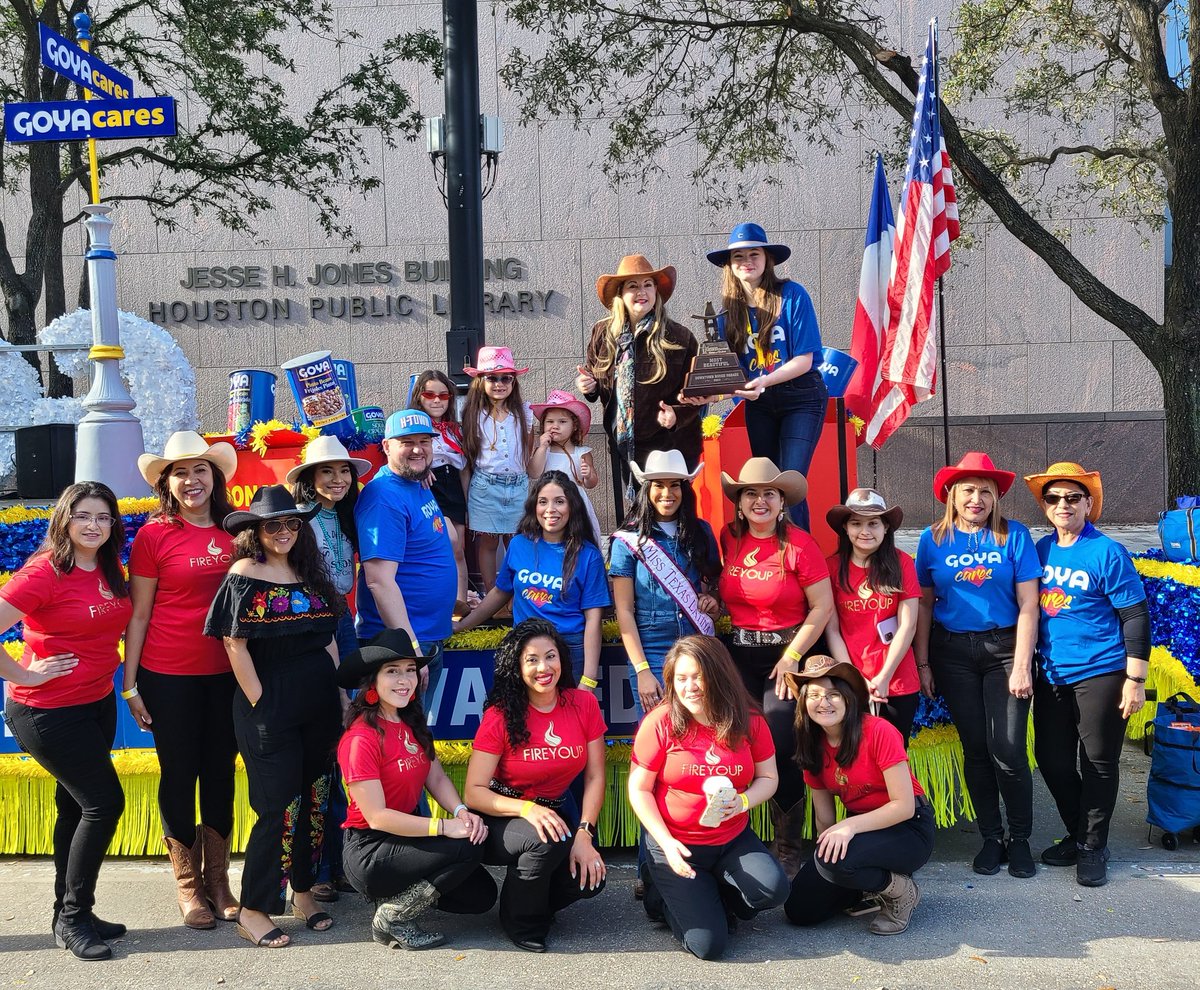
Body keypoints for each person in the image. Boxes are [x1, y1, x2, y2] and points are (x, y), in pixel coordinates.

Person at [203, 485, 343, 949]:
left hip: (320, 702)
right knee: (278, 806)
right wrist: (262, 701)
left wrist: (340, 696)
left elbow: (328, 639)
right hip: (270, 707)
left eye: (291, 524)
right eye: (273, 525)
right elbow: (234, 643)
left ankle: (303, 892)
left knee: (315, 799)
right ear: (255, 532)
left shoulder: (310, 573)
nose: (284, 532)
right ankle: (255, 908)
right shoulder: (246, 572)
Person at [1, 482, 132, 961]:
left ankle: (68, 910)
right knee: (103, 804)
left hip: (95, 703)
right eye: (82, 516)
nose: (94, 525)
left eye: (103, 516)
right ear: (64, 520)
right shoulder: (45, 572)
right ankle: (75, 918)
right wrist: (22, 672)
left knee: (75, 809)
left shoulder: (108, 566)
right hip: (47, 711)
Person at [123, 432, 239, 930]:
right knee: (179, 775)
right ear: (167, 483)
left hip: (230, 676)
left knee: (219, 773)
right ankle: (188, 887)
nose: (192, 480)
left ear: (215, 477)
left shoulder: (238, 530)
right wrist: (130, 686)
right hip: (168, 674)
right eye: (181, 472)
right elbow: (139, 615)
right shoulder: (153, 536)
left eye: (200, 470)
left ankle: (219, 882)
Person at [913, 452, 1041, 880]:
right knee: (976, 750)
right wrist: (924, 662)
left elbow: (1028, 604)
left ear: (997, 497)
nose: (976, 498)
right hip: (953, 655)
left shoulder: (1014, 536)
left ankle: (1020, 839)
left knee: (1007, 749)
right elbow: (925, 605)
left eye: (985, 490)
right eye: (967, 489)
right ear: (951, 494)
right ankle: (991, 837)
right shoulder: (932, 539)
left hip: (1005, 650)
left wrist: (1023, 663)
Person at [1023, 462, 1149, 888]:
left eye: (1073, 498)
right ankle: (1080, 834)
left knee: (1097, 763)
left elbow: (1134, 614)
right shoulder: (1040, 550)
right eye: (1054, 498)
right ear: (1045, 506)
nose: (1063, 504)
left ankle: (1093, 846)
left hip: (1102, 671)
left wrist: (1136, 679)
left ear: (1088, 504)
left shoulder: (1106, 551)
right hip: (1052, 673)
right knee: (1052, 761)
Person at [628, 635, 789, 961]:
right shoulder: (659, 723)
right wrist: (666, 845)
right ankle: (660, 894)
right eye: (681, 678)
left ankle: (708, 893)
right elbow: (639, 789)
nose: (690, 687)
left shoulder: (750, 720)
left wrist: (743, 802)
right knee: (709, 945)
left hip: (731, 839)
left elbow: (769, 778)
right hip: (677, 844)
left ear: (718, 674)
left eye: (698, 676)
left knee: (773, 891)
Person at [336, 629, 496, 950]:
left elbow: (435, 778)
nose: (404, 680)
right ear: (372, 682)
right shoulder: (361, 738)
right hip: (371, 849)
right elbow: (378, 817)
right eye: (392, 671)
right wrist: (443, 827)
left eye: (410, 670)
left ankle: (396, 896)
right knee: (467, 847)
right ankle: (394, 915)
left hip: (406, 838)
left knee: (481, 896)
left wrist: (461, 812)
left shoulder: (411, 721)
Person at [717, 457, 833, 876]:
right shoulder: (727, 538)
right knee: (733, 739)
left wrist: (792, 658)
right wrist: (712, 600)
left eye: (769, 493)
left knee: (781, 739)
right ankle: (734, 838)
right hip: (739, 655)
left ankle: (787, 845)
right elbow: (723, 589)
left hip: (787, 654)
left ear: (782, 501)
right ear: (740, 501)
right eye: (751, 493)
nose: (760, 500)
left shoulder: (800, 544)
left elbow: (822, 607)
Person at [464, 619, 607, 952]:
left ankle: (532, 900)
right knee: (546, 841)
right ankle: (521, 921)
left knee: (589, 877)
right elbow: (474, 791)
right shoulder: (500, 715)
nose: (544, 667)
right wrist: (527, 809)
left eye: (551, 656)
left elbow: (595, 775)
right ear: (517, 666)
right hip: (502, 812)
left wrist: (585, 833)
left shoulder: (582, 704)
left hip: (559, 808)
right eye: (532, 659)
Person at [782, 655, 934, 936]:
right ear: (803, 702)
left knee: (836, 862)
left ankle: (902, 891)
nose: (823, 702)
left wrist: (847, 830)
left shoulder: (878, 731)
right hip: (860, 831)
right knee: (799, 908)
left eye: (833, 694)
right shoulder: (812, 744)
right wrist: (827, 869)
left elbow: (903, 806)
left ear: (849, 698)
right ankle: (863, 884)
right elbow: (825, 820)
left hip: (908, 827)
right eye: (813, 695)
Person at [287, 434, 372, 904]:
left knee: (347, 741)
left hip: (343, 619)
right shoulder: (300, 523)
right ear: (309, 479)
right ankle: (316, 867)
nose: (338, 480)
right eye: (327, 472)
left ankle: (340, 863)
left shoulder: (346, 517)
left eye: (344, 472)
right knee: (326, 743)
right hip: (318, 624)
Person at [706, 222, 828, 529]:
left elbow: (804, 360)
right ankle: (772, 554)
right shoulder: (726, 313)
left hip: (801, 396)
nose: (747, 261)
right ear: (730, 266)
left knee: (790, 480)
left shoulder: (792, 295)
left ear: (766, 259)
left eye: (754, 254)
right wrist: (706, 392)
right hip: (759, 404)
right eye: (739, 257)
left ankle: (801, 559)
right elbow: (732, 373)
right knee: (767, 483)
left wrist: (763, 381)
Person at [455, 472, 610, 688]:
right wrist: (461, 625)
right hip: (525, 647)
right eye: (543, 502)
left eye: (559, 502)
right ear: (533, 507)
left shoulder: (588, 555)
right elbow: (499, 593)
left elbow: (593, 619)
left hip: (568, 648)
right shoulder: (519, 545)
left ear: (572, 507)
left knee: (567, 719)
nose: (550, 509)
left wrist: (588, 679)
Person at [577, 254, 701, 507]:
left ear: (657, 291)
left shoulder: (679, 337)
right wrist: (588, 387)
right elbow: (596, 378)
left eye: (648, 284)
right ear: (621, 294)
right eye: (633, 286)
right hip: (623, 444)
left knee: (670, 517)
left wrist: (677, 414)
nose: (641, 292)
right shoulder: (603, 333)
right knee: (635, 518)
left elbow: (698, 393)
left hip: (668, 443)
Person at [355, 409, 456, 705]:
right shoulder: (383, 497)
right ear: (386, 447)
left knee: (416, 737)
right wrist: (409, 649)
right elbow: (379, 582)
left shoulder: (416, 482)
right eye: (407, 442)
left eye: (424, 441)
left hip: (425, 639)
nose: (417, 449)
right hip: (401, 647)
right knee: (398, 739)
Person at [610, 450, 721, 719]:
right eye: (659, 485)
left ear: (685, 489)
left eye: (674, 485)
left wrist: (712, 602)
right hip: (651, 645)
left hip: (697, 639)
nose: (667, 493)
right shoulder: (628, 540)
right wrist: (642, 670)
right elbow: (623, 610)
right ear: (647, 489)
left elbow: (713, 589)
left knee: (702, 726)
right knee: (656, 732)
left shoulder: (702, 531)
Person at [823, 488, 921, 742]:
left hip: (897, 681)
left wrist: (884, 677)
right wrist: (853, 679)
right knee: (857, 756)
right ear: (845, 527)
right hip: (852, 681)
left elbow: (908, 625)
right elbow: (832, 629)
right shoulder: (832, 568)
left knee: (896, 758)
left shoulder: (902, 563)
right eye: (856, 523)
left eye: (873, 523)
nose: (865, 531)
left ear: (886, 528)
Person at [461, 346, 535, 590]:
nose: (499, 383)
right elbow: (469, 457)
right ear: (480, 381)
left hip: (517, 485)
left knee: (517, 540)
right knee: (489, 542)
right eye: (492, 378)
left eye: (506, 378)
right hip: (485, 485)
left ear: (514, 382)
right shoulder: (474, 414)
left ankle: (518, 590)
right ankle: (492, 594)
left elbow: (528, 452)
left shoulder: (523, 413)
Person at [409, 369, 471, 603]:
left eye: (443, 395)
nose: (437, 400)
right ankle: (439, 601)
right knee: (447, 544)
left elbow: (464, 468)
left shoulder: (456, 429)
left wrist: (467, 505)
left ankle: (461, 603)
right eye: (430, 394)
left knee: (459, 550)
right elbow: (403, 458)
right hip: (429, 488)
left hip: (453, 486)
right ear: (419, 396)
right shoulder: (413, 427)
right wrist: (421, 470)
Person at [529, 389, 602, 545]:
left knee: (576, 541)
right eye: (550, 422)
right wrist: (542, 447)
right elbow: (534, 473)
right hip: (548, 505)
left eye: (562, 422)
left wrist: (588, 475)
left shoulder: (581, 452)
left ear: (574, 426)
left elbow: (591, 483)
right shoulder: (543, 450)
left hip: (575, 505)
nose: (555, 426)